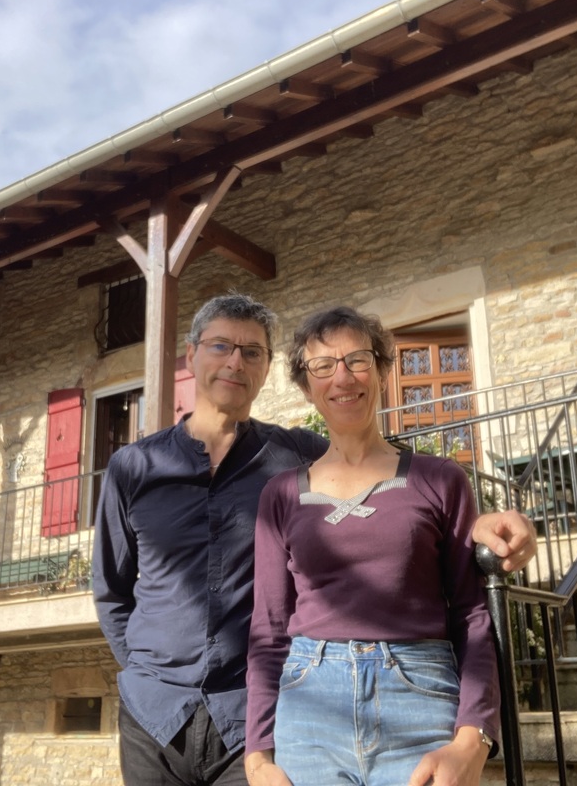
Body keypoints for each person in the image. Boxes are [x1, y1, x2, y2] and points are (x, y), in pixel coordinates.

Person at [93, 294, 534, 786]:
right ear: (192, 354)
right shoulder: (132, 468)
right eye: (221, 346)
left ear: (267, 370)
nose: (236, 362)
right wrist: (148, 668)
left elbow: (378, 475)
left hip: (247, 714)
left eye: (252, 351)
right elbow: (111, 592)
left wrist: (478, 527)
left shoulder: (293, 456)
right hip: (155, 714)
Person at [244, 306, 498, 786]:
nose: (342, 377)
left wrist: (474, 737)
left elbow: (471, 612)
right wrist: (257, 758)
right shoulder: (279, 495)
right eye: (323, 366)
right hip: (308, 709)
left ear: (382, 370)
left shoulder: (441, 480)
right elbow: (269, 629)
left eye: (357, 360)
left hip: (420, 701)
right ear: (307, 386)